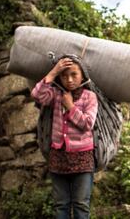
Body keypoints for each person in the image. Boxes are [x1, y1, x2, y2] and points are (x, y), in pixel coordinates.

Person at [31, 54, 98, 219]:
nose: (69, 79)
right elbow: (37, 95)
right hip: (58, 157)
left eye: (74, 74)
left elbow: (87, 124)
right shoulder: (55, 94)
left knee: (81, 205)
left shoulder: (90, 97)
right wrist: (53, 72)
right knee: (61, 205)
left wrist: (70, 107)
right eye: (64, 75)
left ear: (82, 74)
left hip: (83, 159)